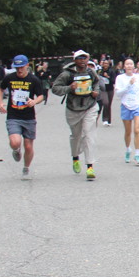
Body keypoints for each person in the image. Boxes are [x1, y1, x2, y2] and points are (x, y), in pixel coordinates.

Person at [50, 50, 102, 180]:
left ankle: (90, 167)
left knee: (88, 135)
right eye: (79, 58)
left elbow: (97, 83)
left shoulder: (91, 72)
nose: (82, 60)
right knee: (76, 136)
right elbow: (55, 88)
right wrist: (69, 88)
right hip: (73, 109)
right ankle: (75, 158)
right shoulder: (67, 74)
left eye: (84, 58)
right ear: (74, 60)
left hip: (89, 106)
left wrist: (95, 91)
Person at [0, 54, 44, 180]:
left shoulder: (33, 80)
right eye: (17, 68)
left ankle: (26, 168)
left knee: (28, 146)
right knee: (15, 142)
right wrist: (0, 103)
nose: (19, 70)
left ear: (27, 65)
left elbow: (41, 96)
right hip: (13, 116)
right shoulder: (10, 78)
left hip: (29, 117)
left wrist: (34, 101)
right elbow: (0, 89)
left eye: (21, 67)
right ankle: (16, 150)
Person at [115, 58, 139, 165]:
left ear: (134, 66)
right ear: (124, 66)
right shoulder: (120, 78)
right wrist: (128, 84)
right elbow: (118, 93)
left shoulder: (138, 77)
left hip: (137, 104)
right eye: (127, 64)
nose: (129, 66)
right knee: (128, 131)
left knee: (137, 130)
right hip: (126, 105)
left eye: (131, 64)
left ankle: (137, 154)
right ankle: (128, 149)